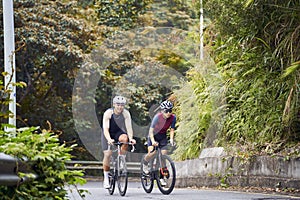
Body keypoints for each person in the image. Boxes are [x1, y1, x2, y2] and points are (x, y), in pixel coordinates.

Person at [101, 95, 136, 189]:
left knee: (125, 139)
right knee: (108, 154)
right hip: (108, 133)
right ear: (114, 105)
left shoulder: (126, 113)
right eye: (118, 105)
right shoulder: (108, 113)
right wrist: (109, 139)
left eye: (122, 105)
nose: (120, 107)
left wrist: (131, 138)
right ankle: (106, 177)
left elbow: (129, 128)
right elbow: (105, 129)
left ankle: (121, 159)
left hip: (118, 132)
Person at [142, 100, 176, 186]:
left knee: (163, 154)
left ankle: (161, 177)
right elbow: (151, 131)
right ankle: (145, 163)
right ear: (162, 111)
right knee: (153, 153)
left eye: (170, 110)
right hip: (153, 135)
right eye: (166, 111)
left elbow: (172, 130)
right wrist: (153, 141)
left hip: (162, 136)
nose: (168, 113)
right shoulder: (157, 117)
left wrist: (171, 139)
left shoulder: (173, 118)